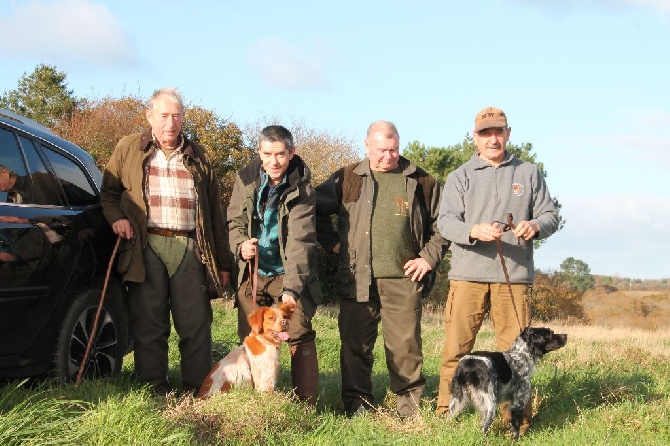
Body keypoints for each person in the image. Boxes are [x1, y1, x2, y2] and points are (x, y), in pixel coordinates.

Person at [435, 107, 559, 434]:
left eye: (498, 131)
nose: (493, 139)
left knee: (518, 357)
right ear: (475, 137)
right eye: (486, 133)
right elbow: (445, 221)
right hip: (467, 276)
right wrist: (472, 230)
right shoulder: (460, 176)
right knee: (456, 350)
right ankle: (446, 412)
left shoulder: (529, 173)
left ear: (508, 133)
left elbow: (550, 215)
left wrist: (535, 225)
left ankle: (516, 422)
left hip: (513, 279)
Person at [100, 87, 231, 395]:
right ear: (150, 116)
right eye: (163, 116)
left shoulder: (198, 156)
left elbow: (215, 215)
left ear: (183, 117)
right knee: (149, 325)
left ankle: (197, 389)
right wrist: (117, 218)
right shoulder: (129, 147)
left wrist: (223, 263)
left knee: (196, 325)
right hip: (145, 246)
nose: (170, 123)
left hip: (190, 248)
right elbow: (108, 194)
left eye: (176, 116)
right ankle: (153, 388)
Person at [315, 120, 449, 418]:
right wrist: (332, 243)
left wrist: (428, 258)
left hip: (404, 280)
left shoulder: (420, 180)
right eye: (381, 150)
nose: (388, 157)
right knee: (355, 348)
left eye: (394, 150)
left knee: (405, 349)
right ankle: (358, 408)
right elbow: (311, 209)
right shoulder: (347, 178)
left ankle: (409, 412)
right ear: (366, 146)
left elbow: (445, 224)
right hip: (356, 277)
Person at [227, 125, 323, 406]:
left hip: (288, 271)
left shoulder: (302, 187)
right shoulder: (244, 179)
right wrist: (240, 245)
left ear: (291, 153)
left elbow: (301, 242)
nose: (274, 161)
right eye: (267, 154)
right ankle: (250, 402)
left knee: (298, 331)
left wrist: (292, 290)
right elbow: (234, 222)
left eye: (280, 154)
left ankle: (305, 405)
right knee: (252, 333)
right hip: (253, 271)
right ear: (259, 152)